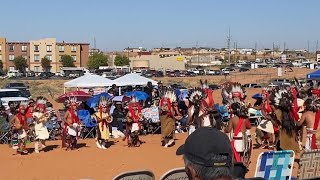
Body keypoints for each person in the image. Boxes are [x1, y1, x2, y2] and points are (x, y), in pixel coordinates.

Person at [270, 88, 300, 154]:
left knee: (282, 150)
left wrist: (270, 119)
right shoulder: (290, 111)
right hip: (291, 136)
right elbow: (297, 120)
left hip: (283, 138)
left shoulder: (278, 113)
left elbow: (276, 124)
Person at [225, 102, 251, 167]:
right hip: (243, 139)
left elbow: (228, 130)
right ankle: (243, 165)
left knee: (235, 154)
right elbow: (249, 127)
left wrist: (225, 128)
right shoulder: (244, 119)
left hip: (236, 140)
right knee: (242, 154)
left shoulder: (232, 120)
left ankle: (236, 166)